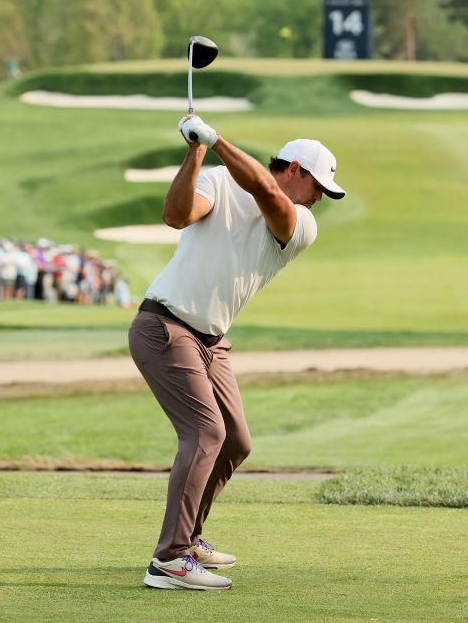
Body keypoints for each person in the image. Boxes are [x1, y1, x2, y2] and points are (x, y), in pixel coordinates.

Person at [129, 113, 345, 592]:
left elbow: (267, 194)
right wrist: (196, 151)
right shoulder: (218, 180)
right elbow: (177, 215)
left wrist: (217, 138)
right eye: (317, 187)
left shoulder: (300, 224)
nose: (318, 200)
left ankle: (189, 536)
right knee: (206, 432)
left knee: (235, 441)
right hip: (164, 325)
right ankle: (170, 559)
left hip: (212, 340)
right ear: (295, 169)